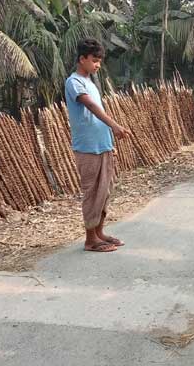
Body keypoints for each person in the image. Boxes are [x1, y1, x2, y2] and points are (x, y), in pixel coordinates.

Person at [65, 38, 132, 253]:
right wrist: (115, 125)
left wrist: (110, 137)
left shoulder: (91, 83)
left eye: (99, 61)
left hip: (103, 144)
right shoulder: (74, 82)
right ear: (82, 59)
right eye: (94, 60)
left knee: (105, 190)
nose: (97, 65)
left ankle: (99, 233)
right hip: (87, 147)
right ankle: (90, 240)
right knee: (92, 192)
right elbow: (92, 107)